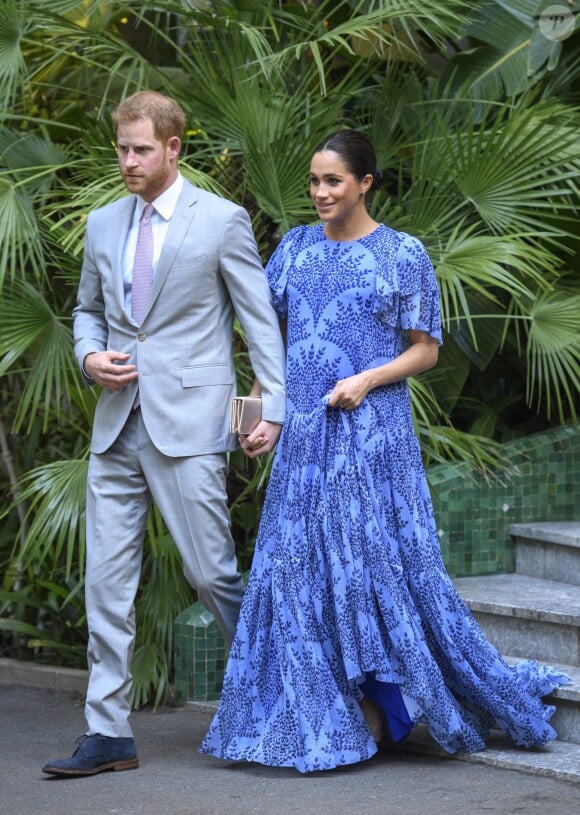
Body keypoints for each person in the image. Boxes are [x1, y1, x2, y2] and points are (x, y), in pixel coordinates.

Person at [199, 130, 570, 773]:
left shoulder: (402, 253)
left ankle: (385, 706)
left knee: (372, 570)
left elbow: (425, 349)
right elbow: (273, 346)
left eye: (332, 182)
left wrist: (367, 379)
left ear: (365, 183)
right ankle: (319, 708)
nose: (318, 193)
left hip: (371, 437)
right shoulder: (292, 250)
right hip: (304, 442)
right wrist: (261, 416)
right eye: (313, 182)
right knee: (297, 570)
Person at [42, 90, 286, 777]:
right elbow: (87, 311)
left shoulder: (223, 221)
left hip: (191, 424)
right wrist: (89, 355)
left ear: (173, 148)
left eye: (141, 148)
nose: (127, 160)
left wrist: (263, 413)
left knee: (211, 573)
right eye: (121, 148)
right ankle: (108, 730)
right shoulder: (101, 224)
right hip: (116, 427)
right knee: (106, 584)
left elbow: (257, 327)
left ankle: (272, 690)